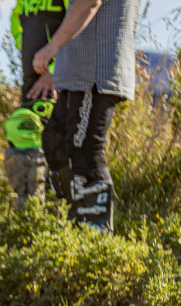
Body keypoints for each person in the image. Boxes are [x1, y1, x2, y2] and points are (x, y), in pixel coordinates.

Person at [33, 0, 140, 232]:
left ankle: (96, 234)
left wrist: (52, 47)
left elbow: (89, 2)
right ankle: (71, 222)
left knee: (84, 152)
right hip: (74, 74)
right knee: (55, 142)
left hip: (95, 72)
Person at [4, 0, 67, 207]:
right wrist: (31, 58)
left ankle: (58, 211)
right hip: (33, 82)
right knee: (23, 135)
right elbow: (18, 24)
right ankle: (31, 214)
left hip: (59, 82)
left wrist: (54, 71)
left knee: (58, 148)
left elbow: (77, 26)